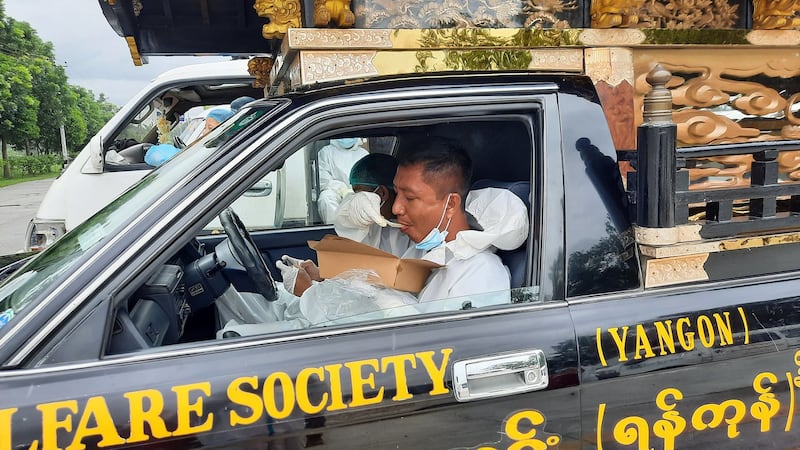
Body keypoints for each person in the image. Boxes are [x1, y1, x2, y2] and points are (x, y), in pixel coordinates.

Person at [283, 138, 529, 302]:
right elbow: (376, 287)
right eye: (397, 192)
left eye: (409, 197)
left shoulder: (480, 274)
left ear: (451, 204)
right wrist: (323, 283)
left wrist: (312, 296)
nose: (397, 207)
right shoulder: (421, 250)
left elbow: (429, 354)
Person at [316, 138, 369, 223]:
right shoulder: (326, 152)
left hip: (357, 193)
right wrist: (342, 189)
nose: (347, 138)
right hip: (334, 193)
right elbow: (322, 179)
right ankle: (335, 230)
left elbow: (367, 181)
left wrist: (354, 192)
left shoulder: (363, 154)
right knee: (325, 198)